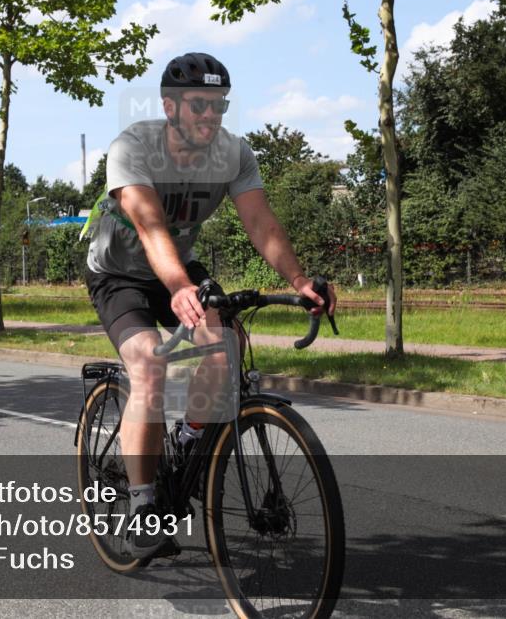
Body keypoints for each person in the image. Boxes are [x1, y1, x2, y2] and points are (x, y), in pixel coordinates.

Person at [85, 52, 337, 557]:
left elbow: (261, 223)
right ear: (170, 106)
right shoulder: (134, 146)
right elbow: (151, 225)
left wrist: (300, 278)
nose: (209, 116)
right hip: (119, 271)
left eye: (218, 105)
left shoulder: (234, 154)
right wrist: (178, 287)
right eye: (198, 105)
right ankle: (143, 503)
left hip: (178, 264)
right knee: (150, 366)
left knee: (223, 350)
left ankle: (186, 438)